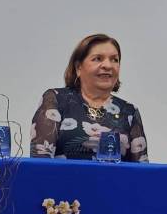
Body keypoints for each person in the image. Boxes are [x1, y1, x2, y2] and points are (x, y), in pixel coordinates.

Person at [30, 33, 148, 163]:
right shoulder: (56, 99)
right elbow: (40, 162)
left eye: (114, 59)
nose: (108, 65)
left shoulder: (129, 112)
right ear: (78, 67)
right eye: (98, 59)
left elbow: (142, 169)